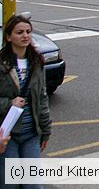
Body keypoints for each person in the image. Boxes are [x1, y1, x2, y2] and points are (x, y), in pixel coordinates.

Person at [0, 14, 52, 189]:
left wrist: (45, 130)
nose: (25, 36)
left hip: (31, 133)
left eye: (28, 32)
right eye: (19, 32)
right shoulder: (1, 63)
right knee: (10, 184)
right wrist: (8, 103)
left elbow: (42, 98)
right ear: (8, 37)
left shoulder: (36, 63)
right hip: (8, 134)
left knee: (33, 185)